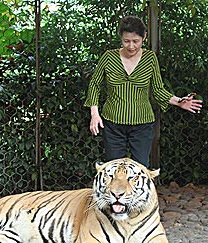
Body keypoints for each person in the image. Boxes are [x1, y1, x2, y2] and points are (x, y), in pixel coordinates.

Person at [84, 15, 202, 168]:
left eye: (136, 41)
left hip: (142, 124)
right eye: (126, 41)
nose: (131, 46)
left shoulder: (150, 58)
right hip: (113, 124)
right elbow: (95, 84)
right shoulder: (108, 57)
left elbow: (158, 90)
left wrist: (179, 102)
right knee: (113, 168)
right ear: (121, 38)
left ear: (144, 37)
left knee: (140, 169)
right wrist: (94, 113)